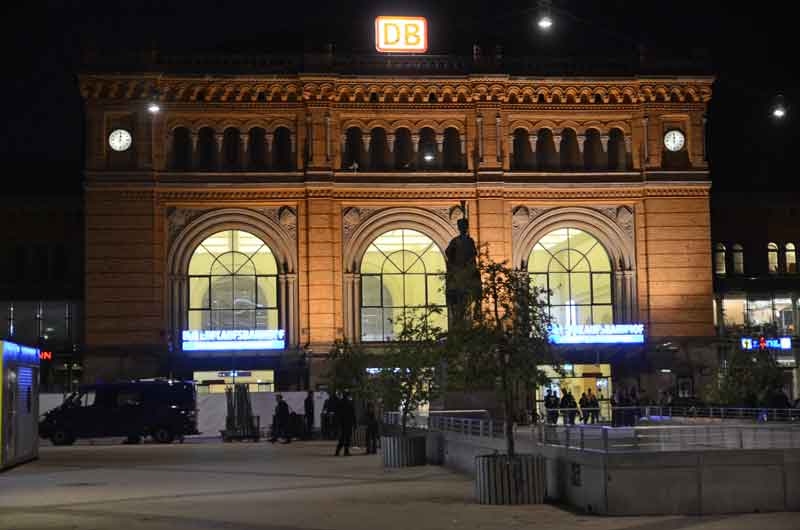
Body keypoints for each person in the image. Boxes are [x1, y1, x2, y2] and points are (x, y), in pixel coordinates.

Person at [335, 391, 356, 456]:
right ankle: (346, 451)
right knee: (347, 438)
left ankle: (338, 451)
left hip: (343, 423)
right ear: (347, 396)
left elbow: (338, 414)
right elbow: (353, 414)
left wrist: (338, 422)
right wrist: (354, 423)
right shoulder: (350, 403)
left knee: (342, 437)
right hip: (348, 423)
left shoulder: (340, 403)